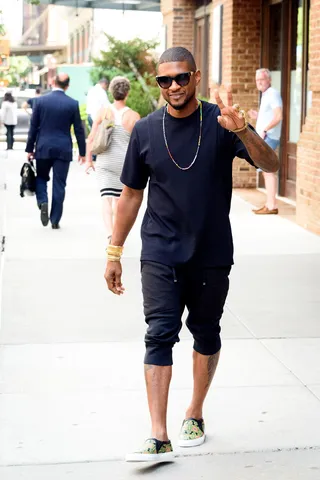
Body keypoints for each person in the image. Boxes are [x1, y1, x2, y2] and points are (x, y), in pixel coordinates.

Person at [104, 47, 279, 462]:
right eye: (165, 80)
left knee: (206, 332)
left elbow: (270, 165)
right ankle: (158, 434)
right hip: (160, 252)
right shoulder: (146, 130)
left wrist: (245, 130)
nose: (174, 87)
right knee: (159, 333)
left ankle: (195, 413)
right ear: (158, 83)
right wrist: (114, 250)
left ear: (196, 77)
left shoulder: (220, 124)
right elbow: (130, 195)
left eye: (181, 78)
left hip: (211, 252)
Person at [25, 73, 86, 229]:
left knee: (41, 178)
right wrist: (82, 152)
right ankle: (55, 219)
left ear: (53, 82)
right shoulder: (72, 103)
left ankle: (42, 201)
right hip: (63, 149)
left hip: (43, 147)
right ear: (68, 86)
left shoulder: (40, 102)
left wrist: (29, 149)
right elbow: (79, 130)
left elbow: (33, 128)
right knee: (59, 184)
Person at [84, 76, 140, 241]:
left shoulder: (103, 112)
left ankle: (110, 233)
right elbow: (139, 144)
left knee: (106, 199)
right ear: (127, 93)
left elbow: (92, 137)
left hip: (105, 161)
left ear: (111, 92)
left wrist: (89, 160)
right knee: (120, 199)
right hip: (124, 163)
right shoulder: (133, 116)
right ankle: (117, 233)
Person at [248, 68, 283, 215]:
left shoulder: (273, 93)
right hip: (266, 137)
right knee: (265, 171)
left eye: (262, 79)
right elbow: (270, 116)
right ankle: (270, 204)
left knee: (267, 171)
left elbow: (278, 116)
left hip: (269, 137)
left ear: (269, 80)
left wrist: (265, 130)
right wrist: (258, 116)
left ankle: (272, 205)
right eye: (257, 80)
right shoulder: (266, 95)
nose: (259, 82)